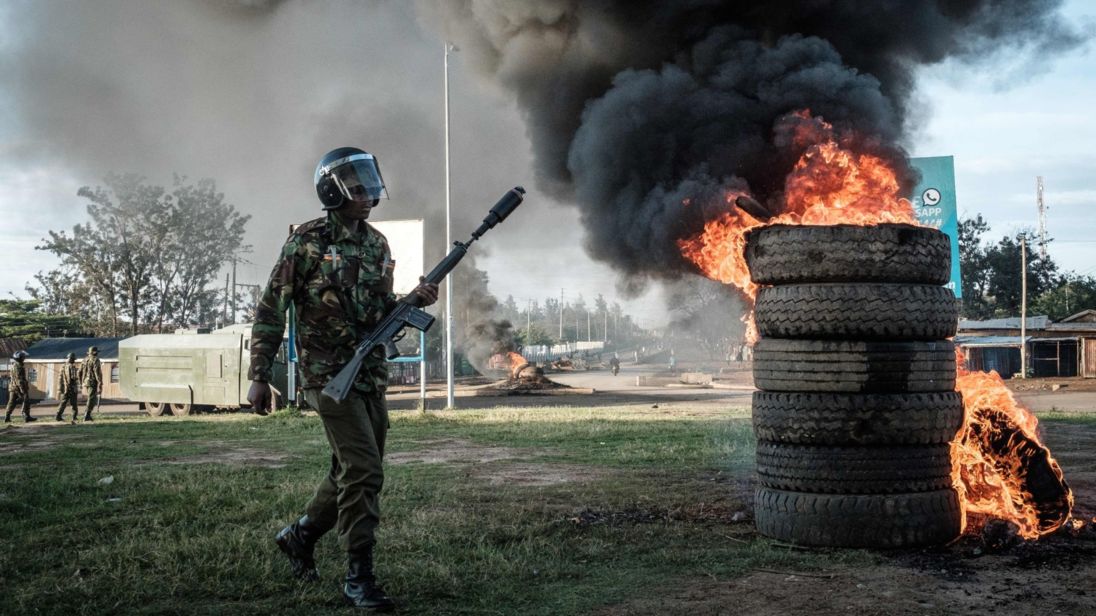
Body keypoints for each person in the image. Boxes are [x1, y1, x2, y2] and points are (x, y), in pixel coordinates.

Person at [247, 146, 438, 611]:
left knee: (350, 469)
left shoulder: (377, 244)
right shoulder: (306, 242)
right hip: (327, 376)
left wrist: (413, 303)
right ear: (332, 189)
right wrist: (258, 375)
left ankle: (300, 535)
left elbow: (376, 310)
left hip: (370, 374)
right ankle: (359, 576)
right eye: (356, 185)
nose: (368, 194)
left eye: (369, 183)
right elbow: (273, 308)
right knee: (365, 471)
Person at [4, 350, 35, 423]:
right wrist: (22, 390)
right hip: (18, 387)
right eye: (23, 357)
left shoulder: (14, 365)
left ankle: (7, 417)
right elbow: (19, 380)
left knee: (11, 402)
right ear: (20, 358)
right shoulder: (19, 367)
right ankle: (26, 416)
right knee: (26, 400)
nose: (24, 358)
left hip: (13, 387)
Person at [78, 346, 102, 422]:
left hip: (86, 382)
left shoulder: (84, 360)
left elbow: (79, 372)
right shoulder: (95, 360)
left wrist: (81, 381)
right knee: (91, 399)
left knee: (91, 398)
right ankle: (87, 415)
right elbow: (96, 372)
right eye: (97, 352)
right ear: (95, 353)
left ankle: (87, 414)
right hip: (92, 381)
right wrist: (100, 382)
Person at [55, 352, 80, 423]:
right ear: (71, 359)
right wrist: (78, 373)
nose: (74, 360)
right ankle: (74, 417)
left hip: (65, 388)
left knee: (63, 403)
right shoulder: (72, 367)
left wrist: (61, 388)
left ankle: (58, 416)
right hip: (71, 387)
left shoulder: (63, 366)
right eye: (74, 359)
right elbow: (73, 377)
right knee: (74, 403)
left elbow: (61, 378)